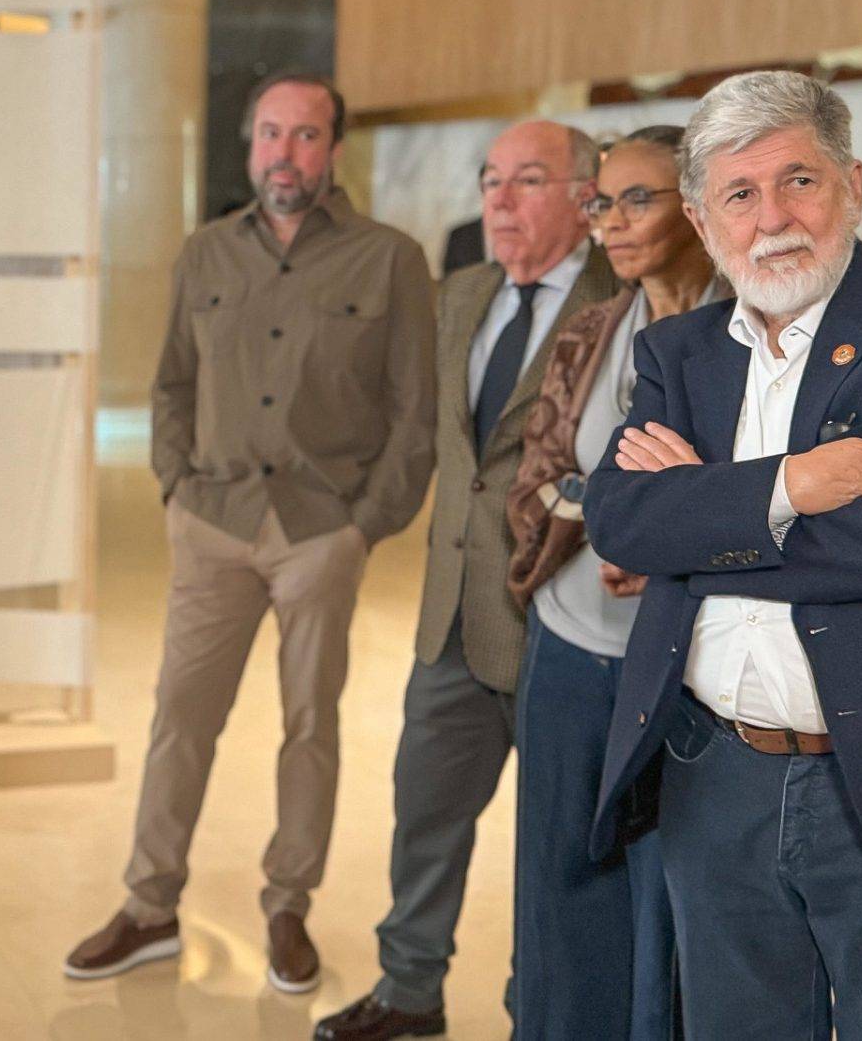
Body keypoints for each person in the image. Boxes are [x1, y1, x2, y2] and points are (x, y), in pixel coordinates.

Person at [64, 75, 437, 992]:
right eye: (271, 133)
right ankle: (149, 904)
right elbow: (170, 384)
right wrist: (175, 489)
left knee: (310, 723)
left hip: (321, 530)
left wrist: (363, 527)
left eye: (305, 135)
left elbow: (416, 415)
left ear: (333, 149)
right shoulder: (205, 253)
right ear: (250, 144)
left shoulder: (388, 259)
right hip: (214, 524)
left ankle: (288, 904)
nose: (285, 153)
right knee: (179, 716)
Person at [586, 71, 862, 1038]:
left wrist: (701, 512)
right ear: (704, 223)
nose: (773, 219)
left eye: (800, 181)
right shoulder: (679, 352)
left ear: (853, 186)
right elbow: (621, 520)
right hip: (713, 768)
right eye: (740, 194)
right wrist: (792, 486)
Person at [318, 120, 617, 1041]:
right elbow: (435, 440)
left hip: (557, 621)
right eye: (491, 180)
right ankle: (409, 990)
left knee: (556, 843)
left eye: (527, 180)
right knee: (424, 816)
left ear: (585, 197)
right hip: (449, 617)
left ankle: (540, 1010)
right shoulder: (463, 293)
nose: (499, 199)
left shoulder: (622, 300)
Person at [505, 126, 719, 1039]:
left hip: (680, 671)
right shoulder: (591, 331)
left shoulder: (750, 338)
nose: (611, 222)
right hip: (567, 647)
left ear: (697, 208)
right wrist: (610, 514)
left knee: (665, 904)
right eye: (601, 202)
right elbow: (534, 478)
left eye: (638, 198)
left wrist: (664, 541)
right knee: (558, 888)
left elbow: (757, 501)